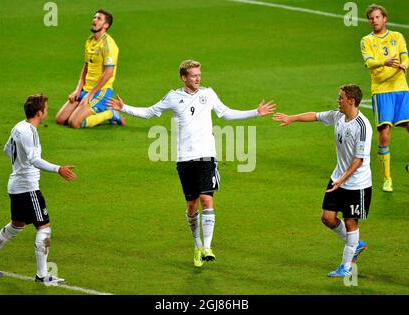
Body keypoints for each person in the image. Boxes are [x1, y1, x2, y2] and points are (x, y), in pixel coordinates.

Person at [106, 60, 275, 267]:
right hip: (185, 159)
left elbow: (226, 113)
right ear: (184, 78)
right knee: (192, 205)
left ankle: (207, 247)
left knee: (207, 199)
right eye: (193, 75)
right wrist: (124, 108)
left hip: (206, 156)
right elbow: (150, 112)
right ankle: (197, 246)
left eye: (199, 74)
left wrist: (255, 112)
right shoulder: (173, 97)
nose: (198, 78)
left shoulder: (209, 94)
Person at [273, 84, 372, 277]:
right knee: (327, 218)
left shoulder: (362, 126)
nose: (338, 100)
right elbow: (316, 116)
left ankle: (346, 266)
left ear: (351, 101)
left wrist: (342, 179)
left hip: (357, 184)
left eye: (341, 98)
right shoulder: (338, 116)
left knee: (351, 222)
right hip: (338, 179)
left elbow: (359, 160)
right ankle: (356, 244)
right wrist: (292, 118)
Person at [0, 94, 77, 284]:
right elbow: (33, 159)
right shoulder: (30, 131)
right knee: (44, 228)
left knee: (17, 225)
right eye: (46, 109)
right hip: (27, 188)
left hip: (15, 185)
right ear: (39, 113)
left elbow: (7, 149)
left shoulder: (18, 127)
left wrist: (19, 166)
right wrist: (58, 169)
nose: (46, 112)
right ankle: (42, 275)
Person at [361, 4, 409, 192]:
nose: (374, 20)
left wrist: (404, 65)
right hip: (381, 91)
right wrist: (384, 62)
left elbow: (406, 57)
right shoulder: (366, 40)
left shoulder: (397, 37)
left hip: (401, 89)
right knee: (385, 134)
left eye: (377, 17)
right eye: (371, 18)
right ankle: (387, 178)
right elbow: (369, 63)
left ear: (384, 18)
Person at [55, 9, 125, 128]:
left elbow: (108, 73)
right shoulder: (90, 41)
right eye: (94, 17)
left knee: (74, 123)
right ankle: (84, 109)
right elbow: (86, 66)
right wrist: (78, 90)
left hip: (100, 91)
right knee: (60, 119)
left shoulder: (108, 45)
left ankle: (110, 114)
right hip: (86, 89)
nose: (94, 20)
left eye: (99, 19)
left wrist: (90, 95)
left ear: (106, 25)